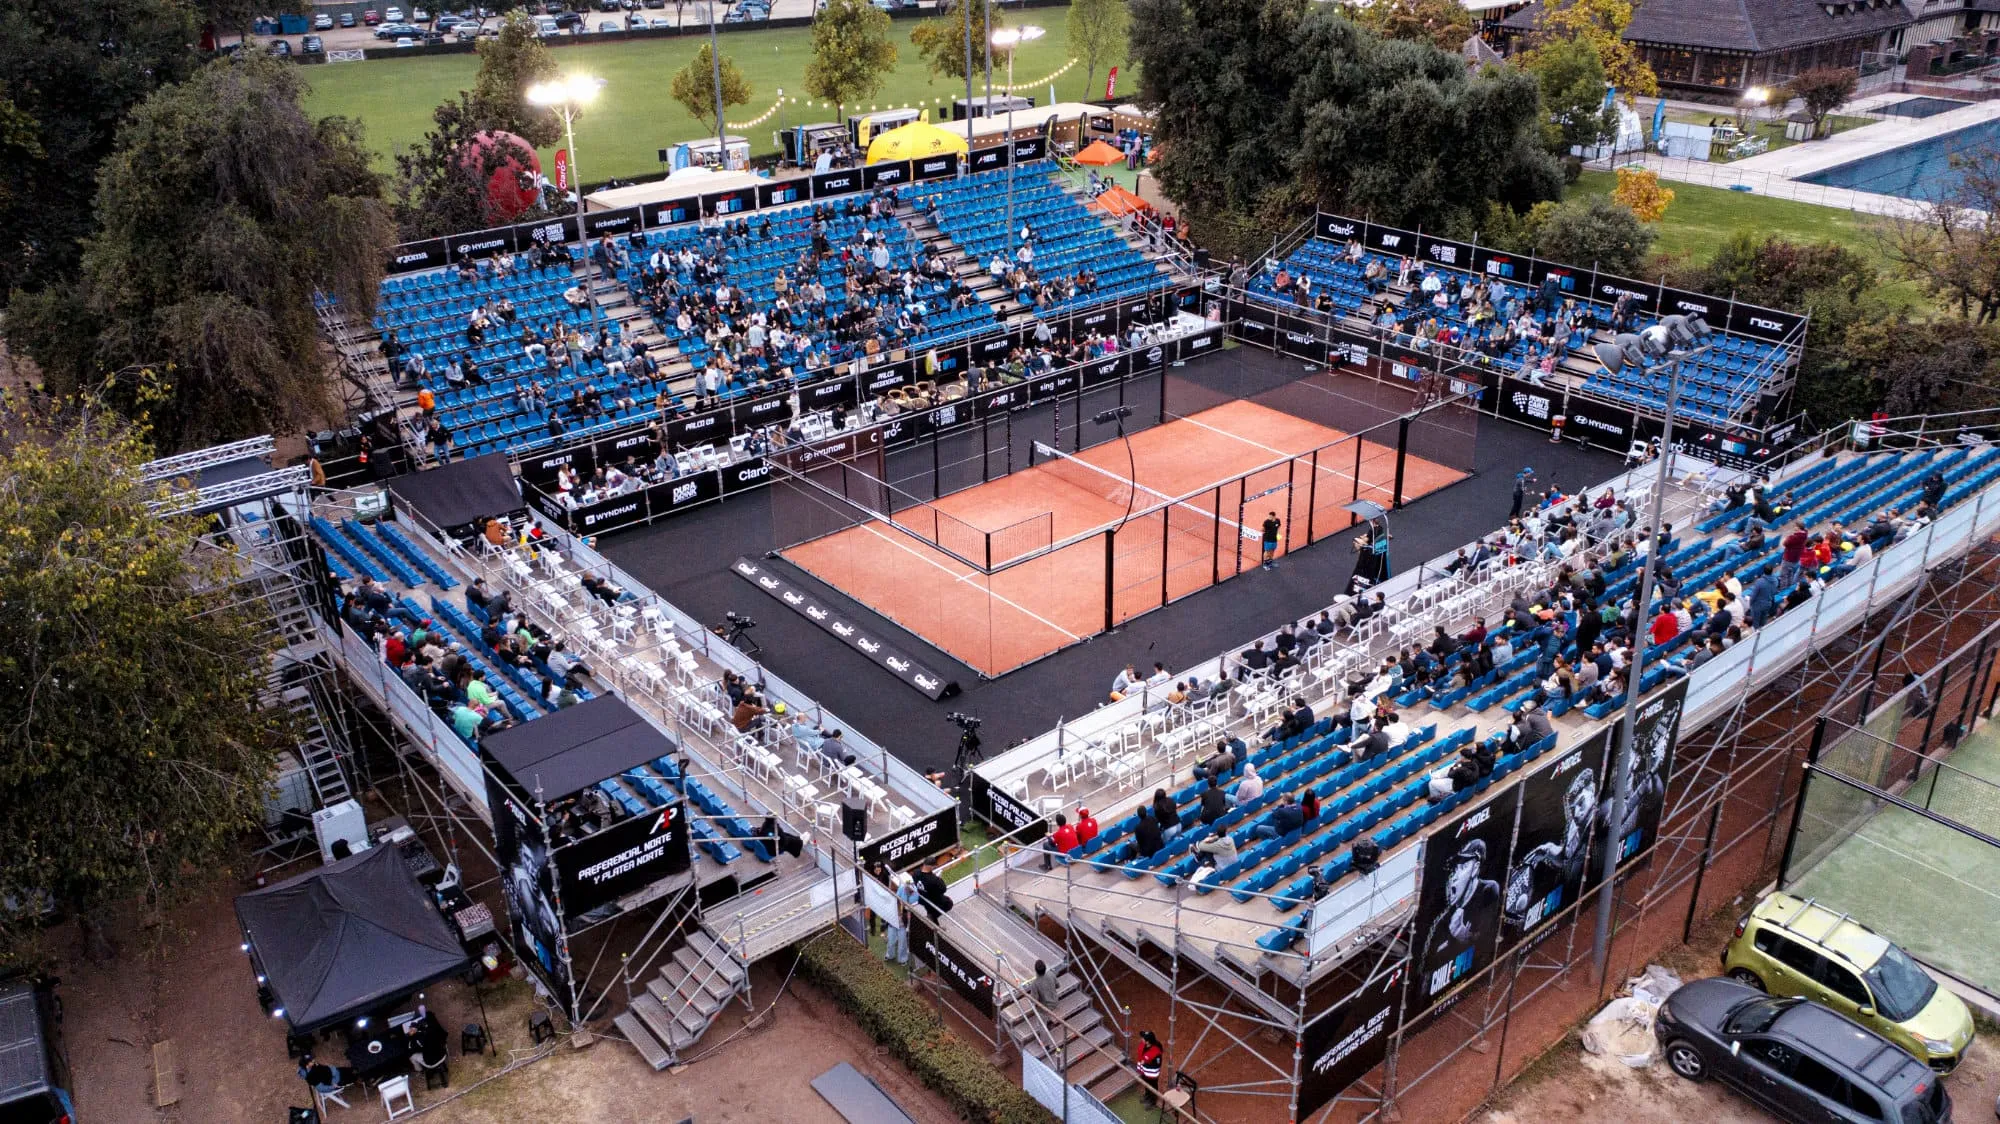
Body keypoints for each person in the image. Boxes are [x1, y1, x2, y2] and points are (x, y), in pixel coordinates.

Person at [884, 871, 914, 964]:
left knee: (902, 945)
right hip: (892, 925)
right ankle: (890, 955)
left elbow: (909, 914)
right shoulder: (893, 901)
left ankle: (903, 959)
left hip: (902, 927)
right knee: (891, 942)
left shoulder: (908, 903)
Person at [1135, 1030, 1165, 1107]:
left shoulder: (1156, 1050)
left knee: (1152, 1086)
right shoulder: (1144, 1045)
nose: (1141, 1039)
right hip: (1144, 1070)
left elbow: (1157, 1064)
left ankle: (1153, 1101)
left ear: (1148, 1041)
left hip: (1151, 1073)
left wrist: (1146, 1062)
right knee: (1146, 1083)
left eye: (1143, 1038)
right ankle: (1147, 1095)